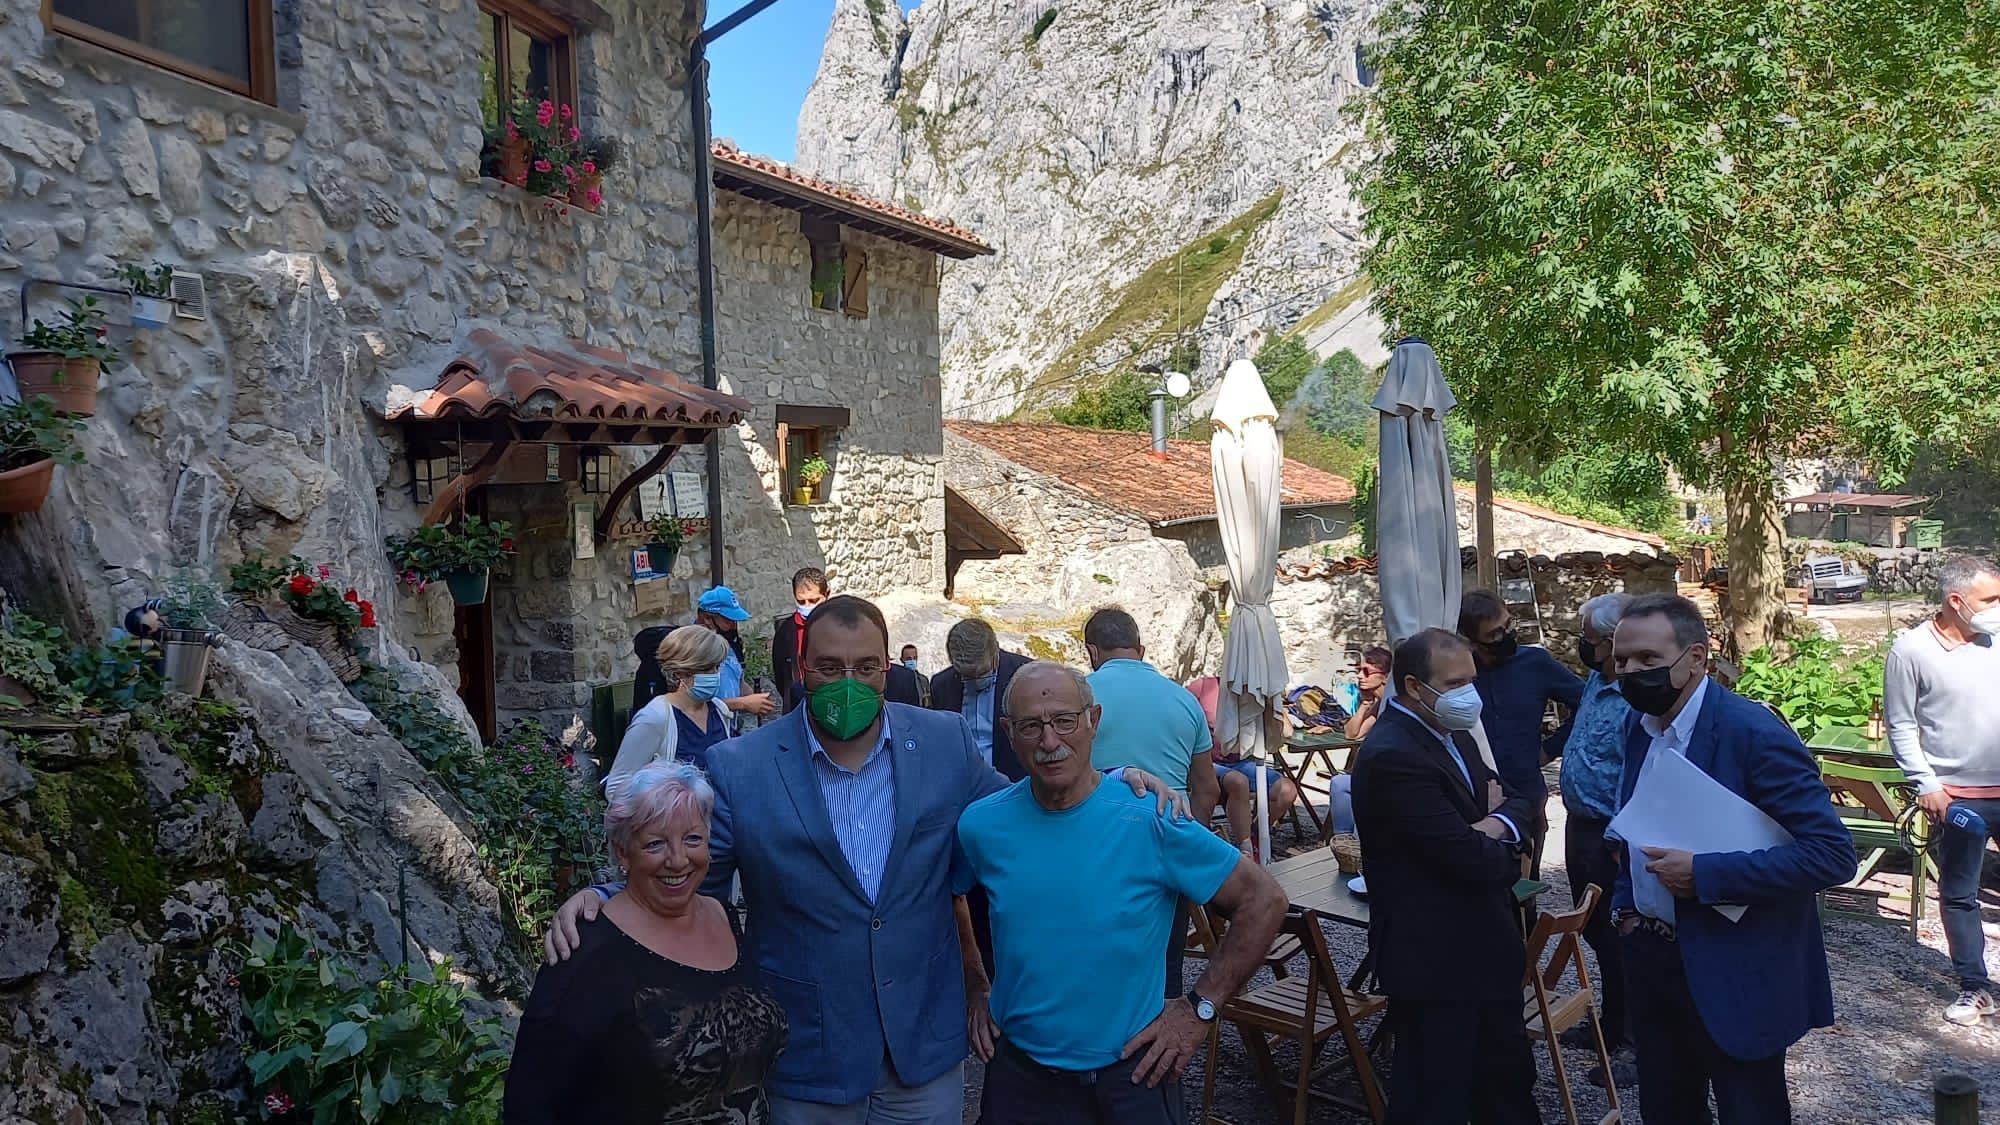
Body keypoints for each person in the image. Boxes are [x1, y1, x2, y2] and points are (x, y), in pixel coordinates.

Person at [544, 595, 1186, 1125]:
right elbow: (687, 876)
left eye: (865, 668)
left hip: (922, 1051)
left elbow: (1027, 808)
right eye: (829, 667)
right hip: (808, 1055)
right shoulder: (741, 767)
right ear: (801, 666)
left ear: (887, 670)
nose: (848, 684)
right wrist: (608, 898)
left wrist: (1114, 776)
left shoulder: (942, 742)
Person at [957, 662, 1289, 1125]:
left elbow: (1265, 900)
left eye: (1064, 721)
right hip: (1022, 1079)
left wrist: (1199, 1008)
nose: (1049, 742)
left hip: (1134, 1075)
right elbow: (953, 895)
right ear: (1009, 733)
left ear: (1093, 720)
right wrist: (976, 985)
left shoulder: (1151, 817)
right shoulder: (982, 825)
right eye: (1032, 726)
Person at [1610, 594, 1856, 1124]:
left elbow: (1832, 855)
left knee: (1750, 1110)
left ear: (1696, 657)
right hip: (1653, 960)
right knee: (1668, 1109)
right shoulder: (1638, 727)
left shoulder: (1753, 733)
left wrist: (1706, 876)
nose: (1631, 672)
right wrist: (1626, 908)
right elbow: (1636, 826)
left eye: (1649, 660)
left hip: (1737, 964)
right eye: (1622, 660)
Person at [504, 760, 788, 1123]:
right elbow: (532, 1101)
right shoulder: (584, 951)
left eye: (693, 839)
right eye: (655, 843)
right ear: (623, 853)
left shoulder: (726, 918)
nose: (678, 859)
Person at [1350, 628, 1541, 1125]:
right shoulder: (1394, 753)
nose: (1469, 694)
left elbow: (1522, 799)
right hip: (1436, 959)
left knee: (1505, 1085)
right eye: (1456, 683)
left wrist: (1490, 827)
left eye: (1471, 680)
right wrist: (1499, 844)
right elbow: (1474, 860)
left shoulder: (1452, 734)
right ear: (1414, 686)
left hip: (1486, 948)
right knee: (1436, 1097)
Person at [1884, 554, 2000, 1025]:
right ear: (1957, 601)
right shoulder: (1911, 651)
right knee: (1959, 894)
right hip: (1956, 797)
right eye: (1990, 598)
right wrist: (1926, 784)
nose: (1998, 606)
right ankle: (1975, 987)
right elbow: (1901, 723)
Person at [1083, 608, 1221, 1001]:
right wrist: (1190, 843)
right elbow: (1207, 790)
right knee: (1165, 964)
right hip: (1166, 839)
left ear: (1092, 651)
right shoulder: (1184, 700)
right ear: (1140, 649)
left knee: (1094, 959)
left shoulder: (1080, 698)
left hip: (1095, 842)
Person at [1556, 593, 1636, 1077]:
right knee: (1596, 931)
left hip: (1612, 833)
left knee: (1624, 935)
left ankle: (1634, 1043)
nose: (1582, 646)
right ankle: (1610, 1022)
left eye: (1587, 639)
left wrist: (1623, 836)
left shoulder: (1634, 694)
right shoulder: (1594, 681)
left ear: (1609, 642)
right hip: (1580, 826)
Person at [1458, 589, 1583, 893]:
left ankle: (1527, 938)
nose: (1506, 635)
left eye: (1508, 625)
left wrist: (1550, 749)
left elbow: (1587, 702)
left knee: (1524, 888)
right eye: (1495, 633)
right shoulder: (1457, 671)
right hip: (1467, 799)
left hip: (1525, 795)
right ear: (1473, 641)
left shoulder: (1536, 663)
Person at [1187, 673, 1309, 857]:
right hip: (1207, 761)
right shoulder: (1204, 686)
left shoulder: (1255, 693)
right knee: (1238, 782)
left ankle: (1256, 835)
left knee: (1287, 790)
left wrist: (1273, 700)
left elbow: (1287, 732)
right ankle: (1244, 848)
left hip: (1241, 762)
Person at [607, 626, 735, 795]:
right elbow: (617, 787)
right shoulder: (655, 717)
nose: (714, 674)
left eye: (717, 667)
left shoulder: (719, 710)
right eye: (705, 669)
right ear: (678, 673)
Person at [633, 586, 776, 725]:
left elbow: (738, 680)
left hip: (726, 730)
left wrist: (756, 699)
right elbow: (689, 704)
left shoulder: (731, 644)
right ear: (707, 618)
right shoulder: (688, 651)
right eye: (728, 620)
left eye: (735, 620)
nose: (733, 625)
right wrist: (743, 704)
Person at [927, 618, 1031, 779]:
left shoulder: (1028, 676)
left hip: (1012, 785)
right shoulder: (942, 685)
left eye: (981, 674)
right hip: (961, 785)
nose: (974, 681)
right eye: (966, 677)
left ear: (995, 651)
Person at [770, 568, 830, 712]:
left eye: (814, 600)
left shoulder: (840, 626)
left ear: (827, 594)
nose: (807, 606)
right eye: (801, 601)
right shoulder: (785, 631)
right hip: (797, 707)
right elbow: (780, 675)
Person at [1342, 646, 1392, 741]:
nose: (1359, 676)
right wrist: (1366, 703)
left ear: (1386, 676)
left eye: (1366, 671)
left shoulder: (1394, 703)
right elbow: (1351, 735)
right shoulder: (1380, 704)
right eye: (1359, 670)